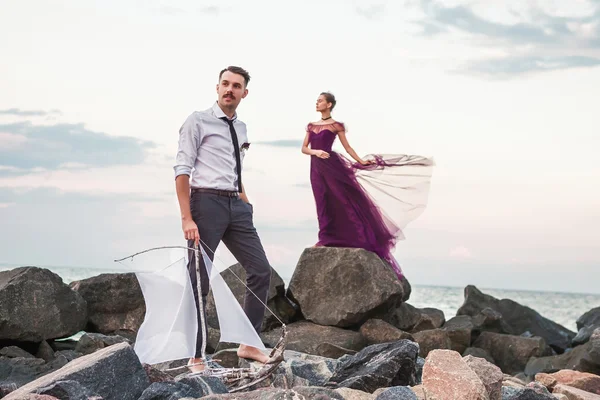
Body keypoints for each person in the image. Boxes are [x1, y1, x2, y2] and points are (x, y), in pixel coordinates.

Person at [173, 66, 271, 372]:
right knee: (199, 277)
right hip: (205, 203)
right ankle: (196, 354)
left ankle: (249, 342)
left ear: (244, 93)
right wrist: (187, 217)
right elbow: (182, 170)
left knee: (260, 270)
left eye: (236, 86)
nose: (230, 89)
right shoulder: (197, 120)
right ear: (217, 88)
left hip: (236, 205)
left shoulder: (241, 128)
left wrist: (245, 200)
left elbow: (235, 167)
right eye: (225, 84)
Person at [301, 92, 434, 280]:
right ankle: (324, 237)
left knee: (340, 201)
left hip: (332, 166)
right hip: (316, 167)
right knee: (321, 200)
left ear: (329, 104)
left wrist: (361, 161)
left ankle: (346, 237)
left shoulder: (336, 125)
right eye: (317, 100)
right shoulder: (311, 126)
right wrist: (316, 152)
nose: (317, 102)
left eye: (321, 100)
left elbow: (347, 148)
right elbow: (304, 148)